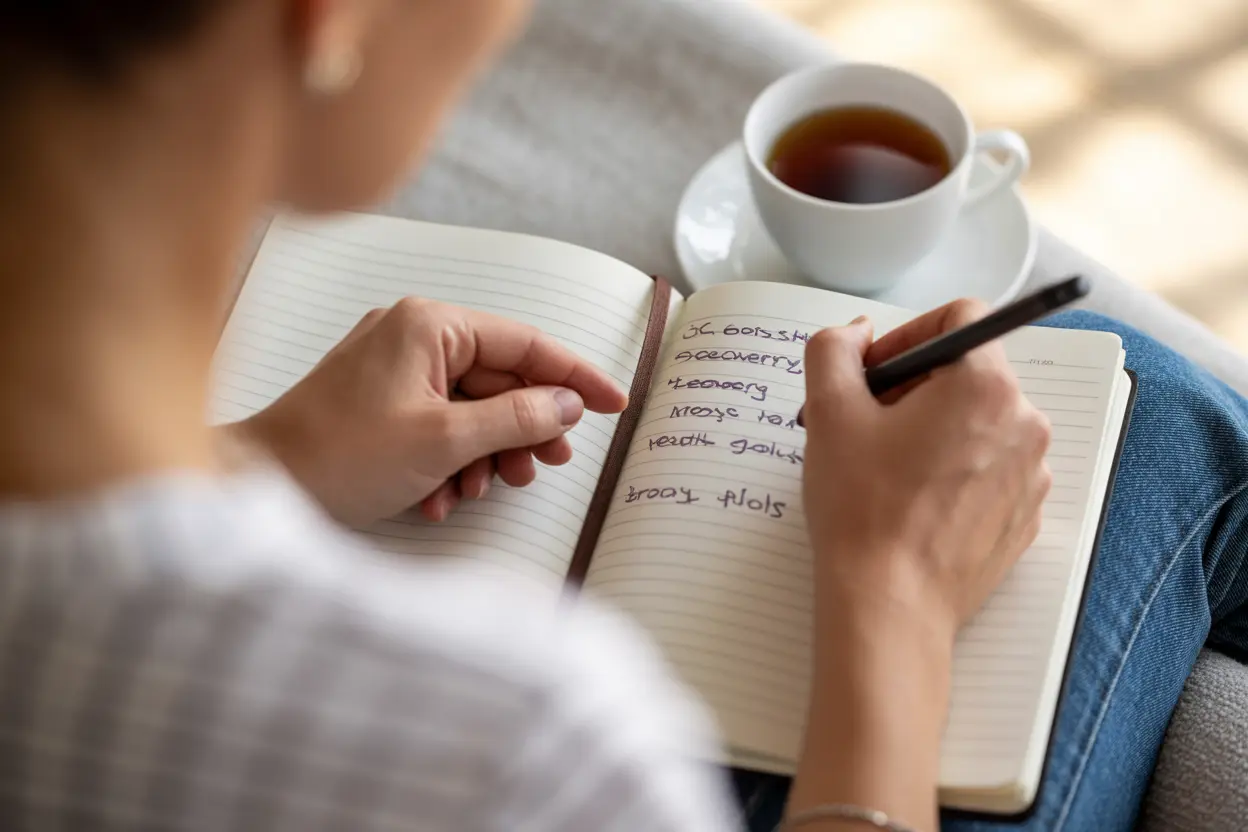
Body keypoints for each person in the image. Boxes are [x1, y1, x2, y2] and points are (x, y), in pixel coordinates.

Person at [0, 1, 1244, 831]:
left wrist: (256, 460)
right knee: (1154, 406)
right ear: (327, 18)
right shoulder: (521, 746)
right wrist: (896, 598)